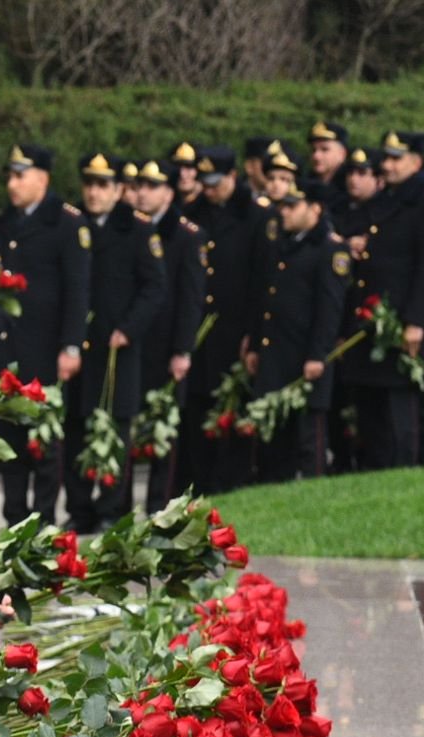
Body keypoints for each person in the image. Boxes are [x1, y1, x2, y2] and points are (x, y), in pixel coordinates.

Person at [63, 152, 166, 531]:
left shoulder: (137, 230)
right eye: (89, 183)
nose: (94, 192)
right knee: (76, 427)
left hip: (117, 348)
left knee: (115, 430)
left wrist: (129, 327)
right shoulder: (73, 224)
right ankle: (79, 508)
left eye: (102, 185)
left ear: (119, 189)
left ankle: (110, 509)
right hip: (80, 345)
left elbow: (155, 287)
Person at [0, 142, 91, 525]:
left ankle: (44, 519)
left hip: (47, 349)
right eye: (10, 176)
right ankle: (14, 516)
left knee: (45, 442)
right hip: (10, 349)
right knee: (11, 438)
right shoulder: (3, 223)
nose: (12, 184)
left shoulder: (66, 223)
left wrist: (71, 345)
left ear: (42, 179)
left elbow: (77, 289)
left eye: (20, 176)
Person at [337, 130, 424, 470]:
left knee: (402, 409)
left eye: (396, 158)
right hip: (375, 320)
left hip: (403, 322)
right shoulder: (385, 201)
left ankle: (405, 470)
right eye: (385, 158)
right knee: (372, 409)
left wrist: (415, 322)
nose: (387, 165)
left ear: (416, 162)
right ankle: (376, 470)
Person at [246, 182, 352, 481]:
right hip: (276, 353)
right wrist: (256, 344)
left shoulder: (329, 248)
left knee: (309, 436)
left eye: (292, 206)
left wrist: (319, 355)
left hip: (306, 356)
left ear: (314, 209)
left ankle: (313, 489)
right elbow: (264, 297)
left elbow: (329, 309)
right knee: (273, 437)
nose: (284, 213)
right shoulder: (281, 243)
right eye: (282, 206)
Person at [185, 144, 270, 493]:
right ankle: (197, 483)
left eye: (216, 182)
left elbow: (262, 280)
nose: (209, 189)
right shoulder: (192, 213)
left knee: (232, 409)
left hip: (236, 329)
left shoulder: (255, 216)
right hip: (198, 330)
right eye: (204, 181)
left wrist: (255, 332)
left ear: (233, 177)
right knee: (197, 409)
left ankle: (231, 482)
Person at [131, 159, 207, 515]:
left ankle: (160, 505)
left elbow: (191, 298)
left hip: (167, 346)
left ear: (168, 192)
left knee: (163, 430)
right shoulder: (132, 228)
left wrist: (182, 349)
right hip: (136, 344)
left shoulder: (186, 235)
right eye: (140, 185)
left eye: (152, 186)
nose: (143, 193)